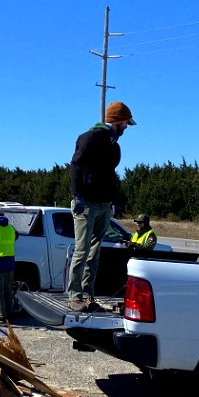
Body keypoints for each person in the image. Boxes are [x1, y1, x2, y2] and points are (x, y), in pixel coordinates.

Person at [68, 100, 136, 311]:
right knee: (82, 249)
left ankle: (88, 295)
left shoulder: (114, 145)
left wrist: (115, 200)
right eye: (126, 123)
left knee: (95, 252)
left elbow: (110, 176)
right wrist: (77, 195)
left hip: (103, 204)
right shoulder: (89, 138)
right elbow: (76, 166)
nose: (126, 127)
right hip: (85, 203)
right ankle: (74, 294)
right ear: (118, 120)